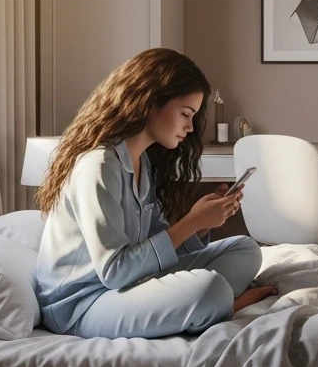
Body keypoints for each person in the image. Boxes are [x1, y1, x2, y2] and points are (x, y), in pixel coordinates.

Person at [33, 48, 276, 339]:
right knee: (210, 288)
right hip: (83, 303)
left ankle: (213, 304)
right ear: (150, 102)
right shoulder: (98, 167)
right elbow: (115, 271)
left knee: (245, 249)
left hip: (130, 283)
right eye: (185, 114)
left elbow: (154, 244)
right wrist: (192, 223)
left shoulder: (141, 161)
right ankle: (224, 305)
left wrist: (202, 225)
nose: (189, 127)